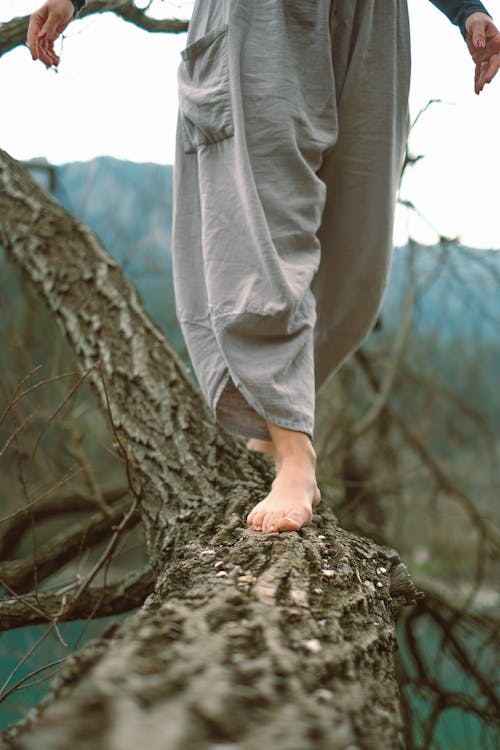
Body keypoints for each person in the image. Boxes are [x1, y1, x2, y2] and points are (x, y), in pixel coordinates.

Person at [29, 1, 500, 536]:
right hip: (262, 15)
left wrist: (466, 10)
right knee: (261, 223)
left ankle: (271, 425)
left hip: (373, 16)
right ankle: (294, 451)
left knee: (358, 246)